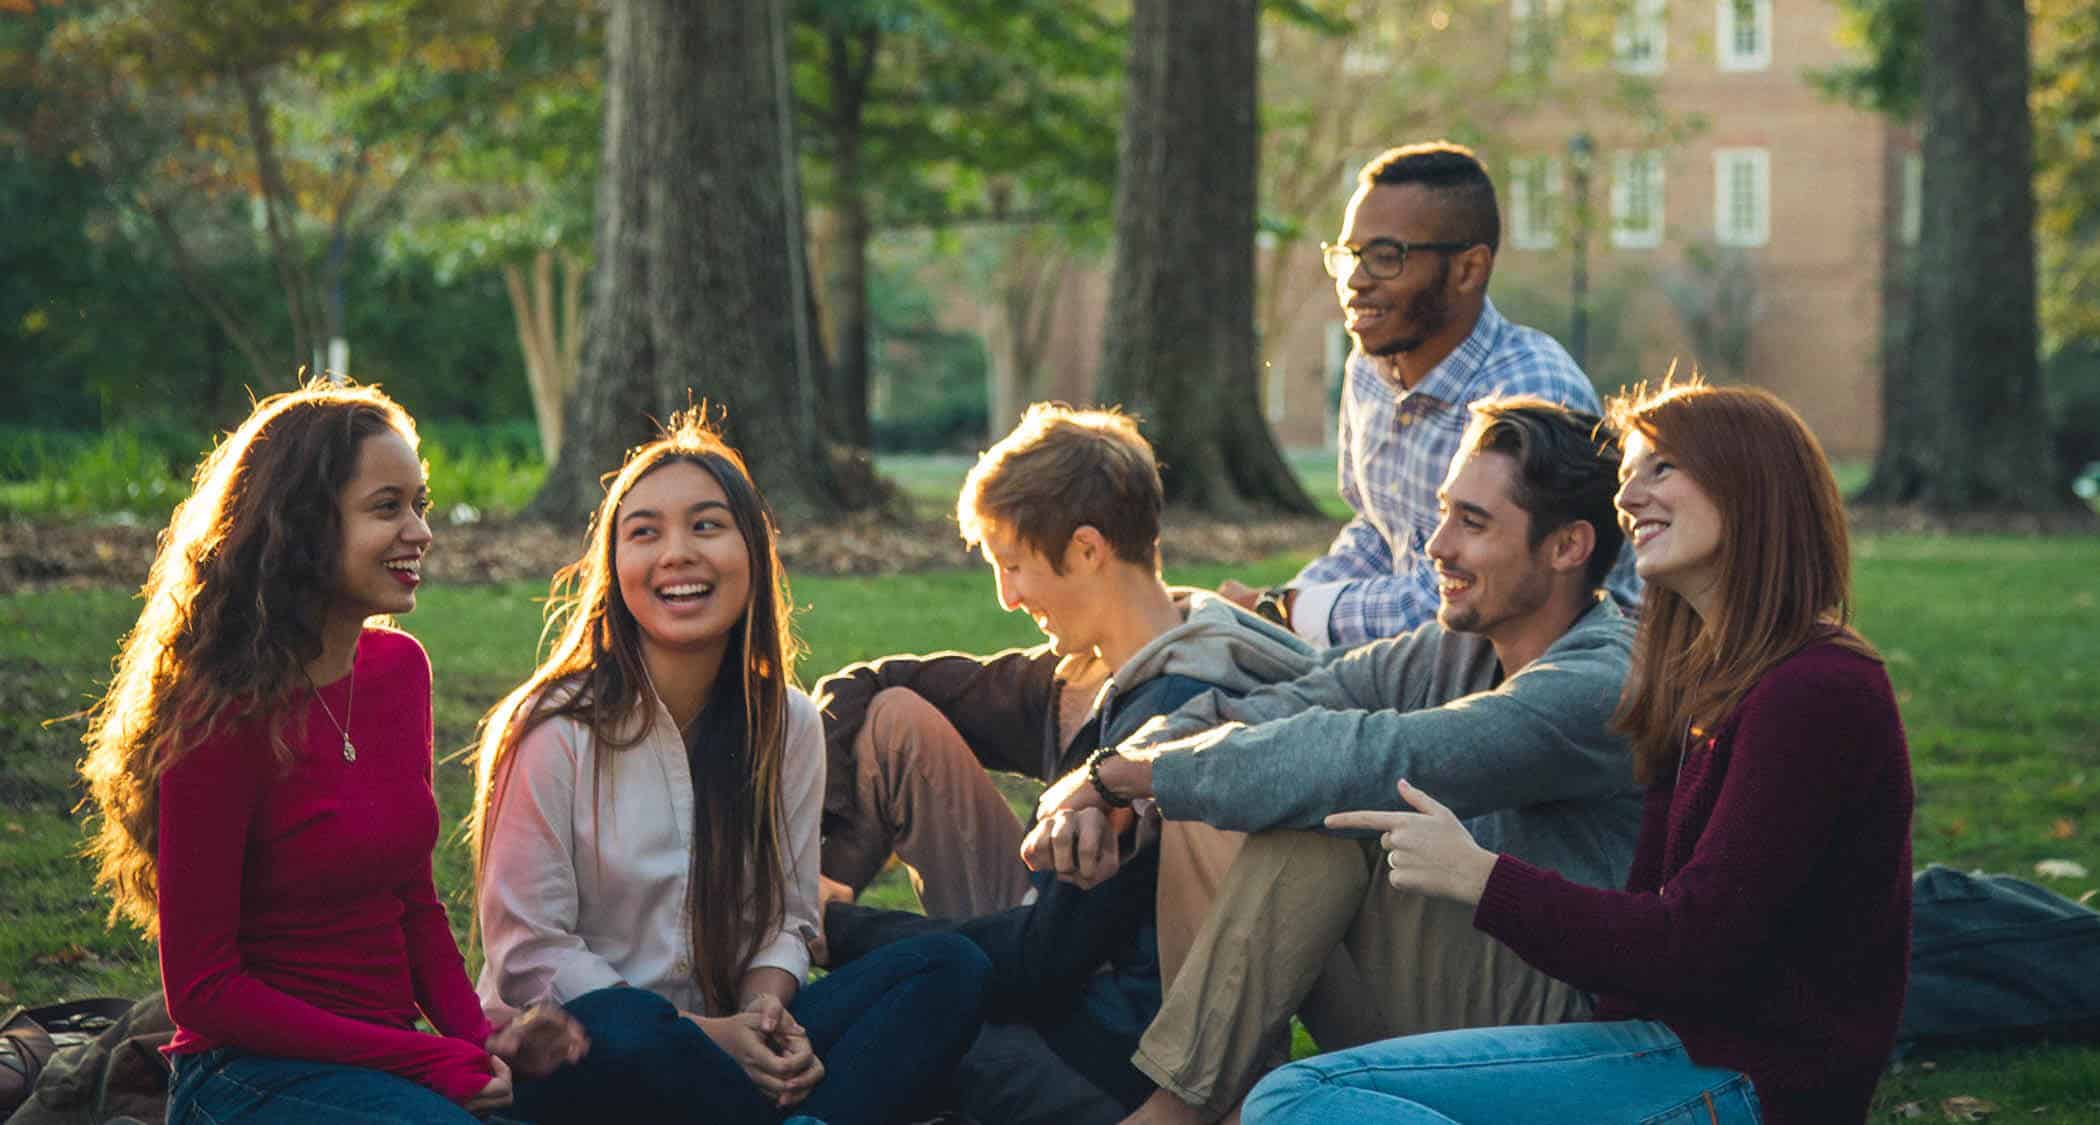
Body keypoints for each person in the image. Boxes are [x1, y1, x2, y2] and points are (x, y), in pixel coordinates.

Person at [1248, 382, 1913, 1125]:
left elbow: (1697, 943)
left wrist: (1484, 877)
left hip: (1756, 1078)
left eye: (1660, 468)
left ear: (1750, 482)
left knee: (1298, 1099)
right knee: (1307, 1095)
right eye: (1628, 473)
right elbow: (1649, 910)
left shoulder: (1819, 688)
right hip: (1659, 1046)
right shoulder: (1700, 679)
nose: (1628, 495)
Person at [1036, 397, 1644, 1124]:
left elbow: (1387, 755)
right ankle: (1224, 1106)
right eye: (1445, 512)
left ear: (1568, 546)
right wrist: (1117, 769)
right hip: (1457, 1002)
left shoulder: (1599, 682)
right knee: (1253, 784)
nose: (1437, 545)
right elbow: (1278, 702)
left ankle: (1177, 1111)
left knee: (1330, 810)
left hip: (1565, 1050)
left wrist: (1134, 779)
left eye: (1473, 523)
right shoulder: (1458, 647)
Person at [76, 380, 586, 1124]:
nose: (420, 530)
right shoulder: (216, 714)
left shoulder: (398, 672)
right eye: (388, 507)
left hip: (385, 1055)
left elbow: (411, 900)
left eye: (421, 504)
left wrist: (484, 1038)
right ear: (302, 524)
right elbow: (205, 990)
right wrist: (430, 1058)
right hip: (245, 1074)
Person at [471, 410, 989, 1125]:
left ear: (753, 551)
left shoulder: (790, 723)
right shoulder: (557, 730)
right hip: (586, 1051)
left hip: (727, 1043)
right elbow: (532, 955)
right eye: (644, 532)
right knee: (624, 1028)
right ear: (614, 566)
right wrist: (706, 1038)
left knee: (950, 969)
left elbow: (786, 914)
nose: (676, 553)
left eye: (707, 525)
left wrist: (767, 1014)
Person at [815, 403, 1320, 1124]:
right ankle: (795, 928)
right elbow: (873, 683)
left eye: (1013, 564)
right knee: (895, 717)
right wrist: (827, 872)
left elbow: (1041, 965)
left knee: (864, 1046)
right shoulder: (1087, 673)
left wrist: (839, 931)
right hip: (1047, 960)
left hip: (1114, 1053)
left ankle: (808, 950)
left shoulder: (1175, 715)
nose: (1006, 595)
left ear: (1086, 549)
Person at [1219, 140, 1635, 647]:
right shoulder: (1371, 369)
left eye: (1385, 257)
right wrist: (1271, 611)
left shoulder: (1530, 396)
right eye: (1348, 256)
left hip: (1540, 671)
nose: (1355, 281)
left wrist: (1290, 609)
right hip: (1418, 661)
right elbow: (1378, 532)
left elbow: (1473, 599)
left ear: (1468, 269)